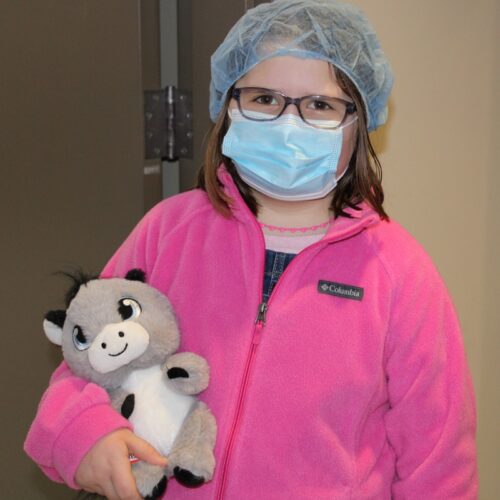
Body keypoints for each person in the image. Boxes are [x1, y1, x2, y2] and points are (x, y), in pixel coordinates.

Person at [25, 0, 478, 498]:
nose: (288, 123)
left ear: (359, 123)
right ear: (228, 106)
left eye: (320, 105)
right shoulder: (167, 233)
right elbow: (83, 357)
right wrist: (85, 436)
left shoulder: (397, 272)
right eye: (264, 98)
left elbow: (438, 462)